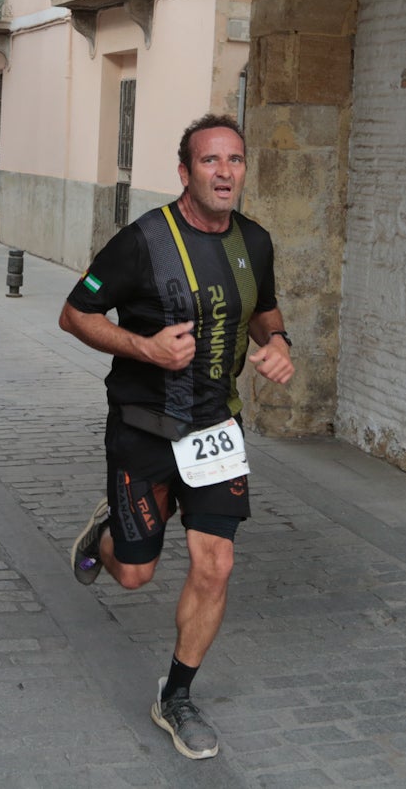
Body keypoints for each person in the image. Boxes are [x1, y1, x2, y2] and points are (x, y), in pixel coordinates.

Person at [58, 113, 294, 762]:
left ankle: (177, 694)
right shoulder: (140, 242)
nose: (225, 172)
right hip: (144, 425)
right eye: (211, 161)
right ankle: (108, 535)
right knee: (135, 573)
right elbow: (74, 312)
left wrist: (277, 345)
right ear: (185, 171)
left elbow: (265, 310)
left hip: (217, 428)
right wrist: (144, 345)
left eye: (235, 160)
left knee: (216, 561)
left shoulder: (256, 241)